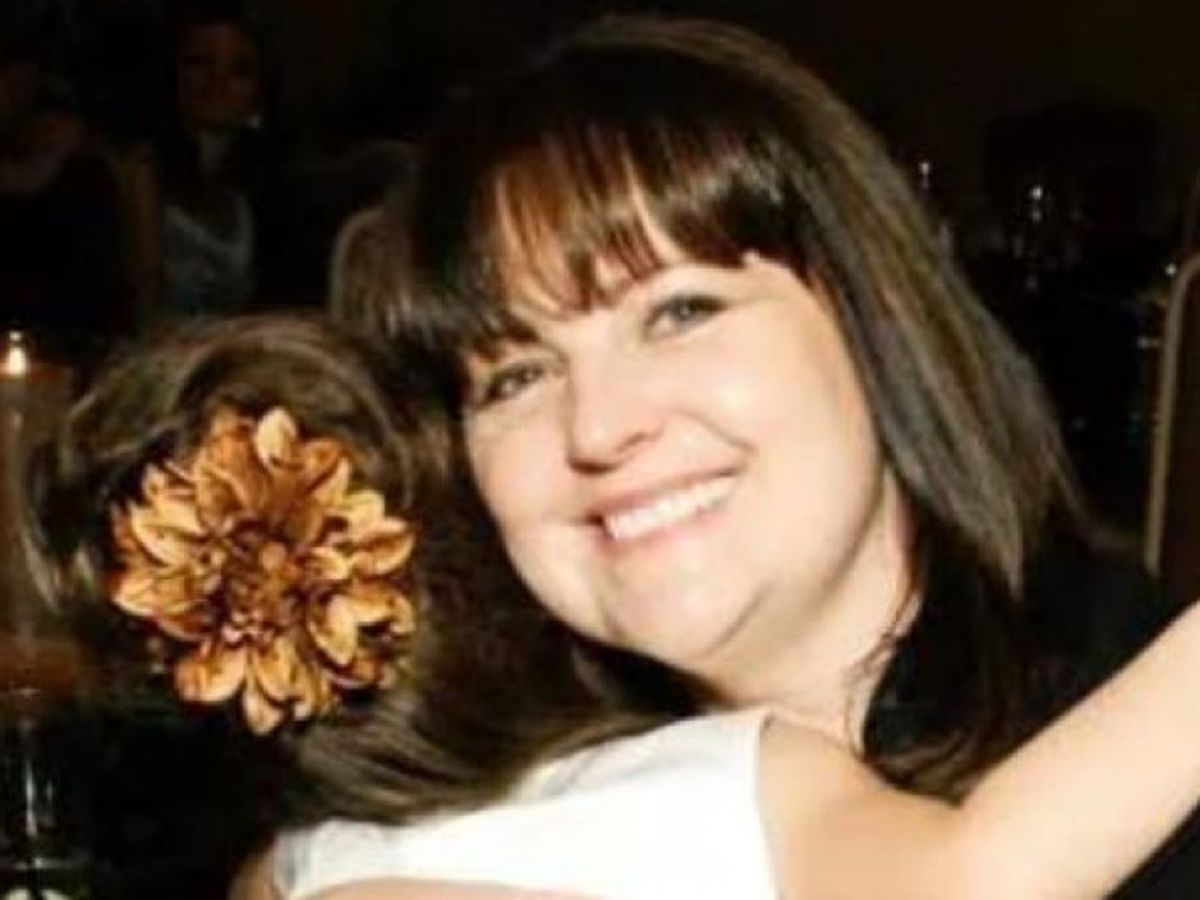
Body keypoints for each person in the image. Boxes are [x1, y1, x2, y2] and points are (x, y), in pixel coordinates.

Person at [38, 15, 1200, 900]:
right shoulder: (484, 801)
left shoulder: (1134, 740)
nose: (598, 428)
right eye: (516, 377)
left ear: (870, 316)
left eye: (680, 312)